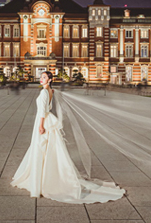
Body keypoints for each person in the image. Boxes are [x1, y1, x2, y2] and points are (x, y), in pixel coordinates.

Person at [11, 71, 125, 204]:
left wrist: (41, 126)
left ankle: (40, 179)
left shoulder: (43, 92)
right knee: (50, 148)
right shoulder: (51, 91)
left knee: (40, 147)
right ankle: (50, 175)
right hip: (49, 120)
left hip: (43, 121)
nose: (41, 79)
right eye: (41, 77)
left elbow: (42, 111)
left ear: (50, 79)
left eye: (44, 77)